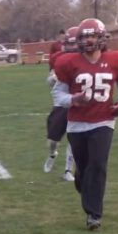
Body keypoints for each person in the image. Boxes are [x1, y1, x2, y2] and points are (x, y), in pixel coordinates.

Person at [51, 18, 118, 230]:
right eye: (84, 36)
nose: (88, 40)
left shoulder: (116, 60)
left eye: (92, 35)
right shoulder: (69, 63)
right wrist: (73, 99)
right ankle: (82, 178)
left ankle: (93, 215)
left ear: (101, 37)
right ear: (78, 40)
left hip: (103, 121)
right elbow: (57, 93)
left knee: (98, 166)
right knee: (85, 170)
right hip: (77, 124)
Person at [44, 26, 78, 181]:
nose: (73, 47)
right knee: (52, 141)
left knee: (73, 137)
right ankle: (53, 154)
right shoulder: (58, 58)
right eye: (69, 44)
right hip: (60, 104)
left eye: (75, 43)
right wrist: (53, 79)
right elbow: (50, 80)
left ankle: (67, 171)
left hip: (78, 104)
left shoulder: (86, 58)